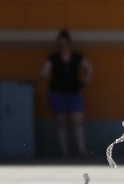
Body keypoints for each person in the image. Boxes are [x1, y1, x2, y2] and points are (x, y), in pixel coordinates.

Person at [39, 29, 93, 158]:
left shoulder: (76, 57)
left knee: (78, 121)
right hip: (58, 92)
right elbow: (44, 71)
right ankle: (65, 152)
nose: (63, 47)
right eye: (60, 44)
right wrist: (42, 75)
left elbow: (89, 68)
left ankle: (81, 150)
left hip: (74, 91)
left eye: (65, 44)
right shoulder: (53, 58)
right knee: (61, 122)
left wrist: (86, 80)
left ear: (69, 44)